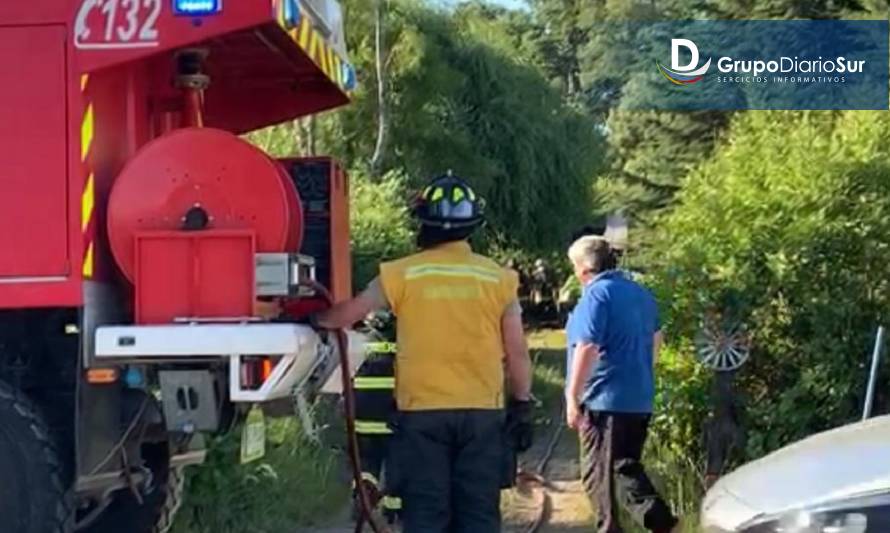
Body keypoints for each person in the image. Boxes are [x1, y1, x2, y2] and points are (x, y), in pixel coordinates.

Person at [315, 173, 534, 533]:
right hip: (482, 415)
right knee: (479, 517)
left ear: (423, 221)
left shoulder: (402, 273)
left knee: (426, 516)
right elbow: (517, 353)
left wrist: (313, 317)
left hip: (421, 418)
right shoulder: (498, 279)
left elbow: (349, 314)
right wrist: (522, 403)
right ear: (471, 225)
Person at [563, 236, 679, 533]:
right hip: (638, 396)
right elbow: (656, 339)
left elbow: (586, 347)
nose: (575, 272)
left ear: (585, 267)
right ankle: (663, 524)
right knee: (625, 467)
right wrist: (638, 373)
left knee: (597, 477)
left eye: (575, 266)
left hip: (604, 399)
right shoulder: (640, 293)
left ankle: (612, 529)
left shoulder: (596, 295)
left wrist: (572, 397)